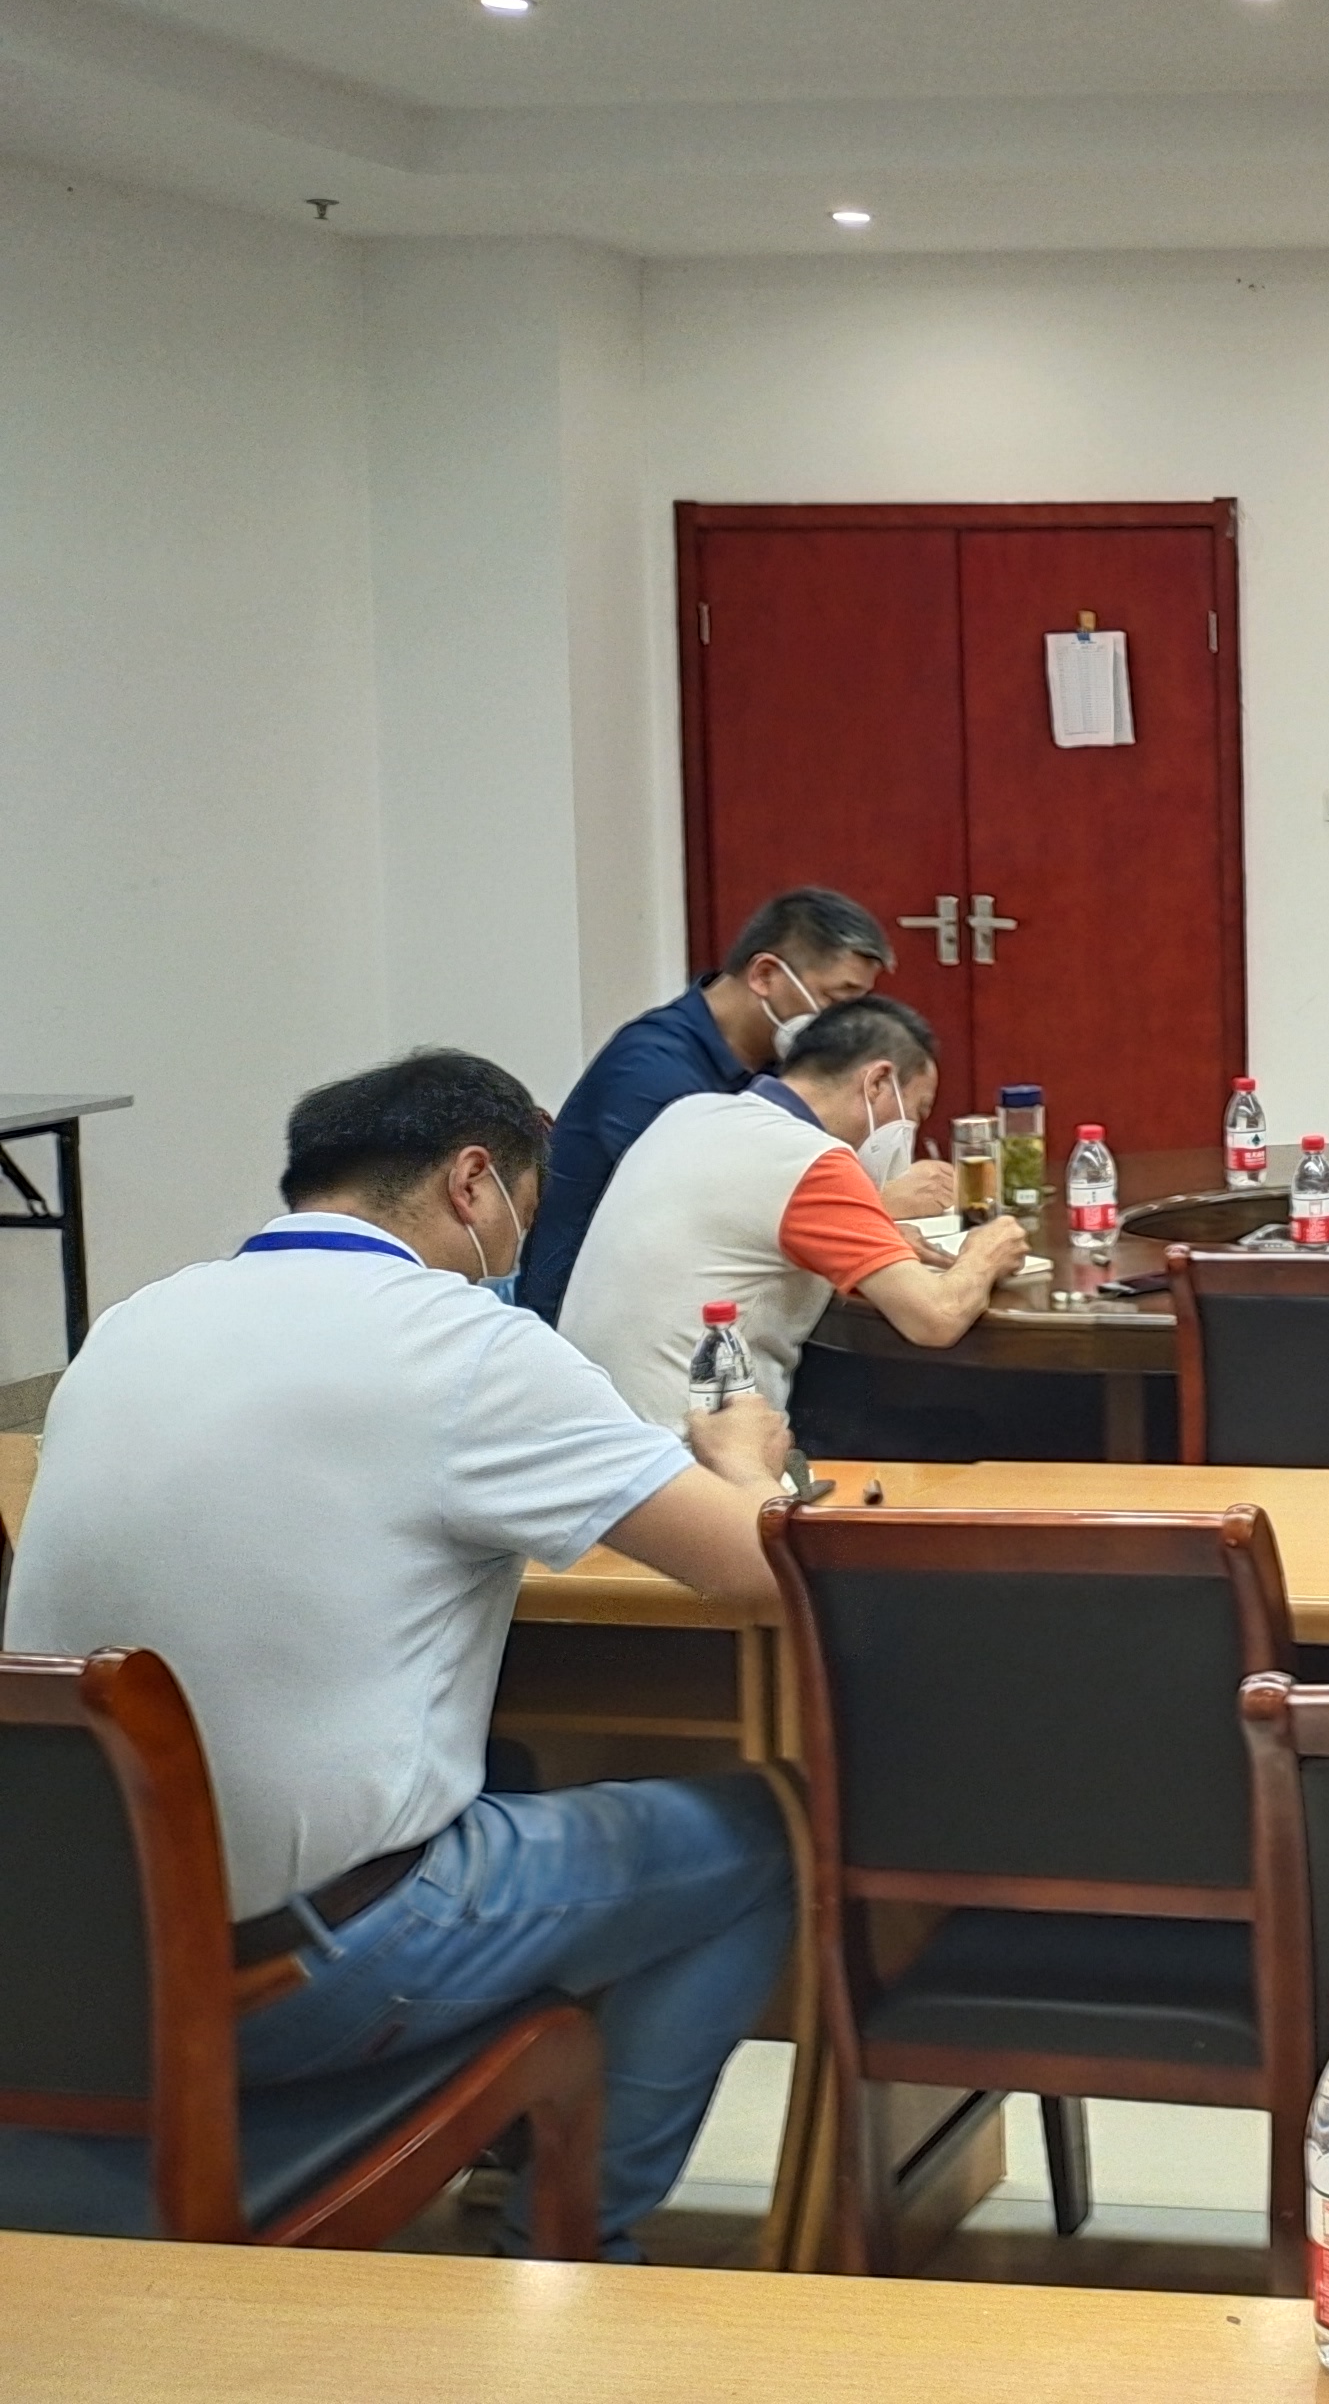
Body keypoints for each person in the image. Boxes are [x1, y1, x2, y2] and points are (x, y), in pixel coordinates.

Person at [3, 1049, 804, 2255]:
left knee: (513, 1768)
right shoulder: (464, 1345)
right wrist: (744, 1460)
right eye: (525, 1210)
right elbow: (756, 1566)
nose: (519, 1246)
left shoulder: (131, 1323)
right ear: (471, 1182)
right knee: (766, 1839)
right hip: (296, 1972)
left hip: (66, 1972)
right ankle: (576, 2251)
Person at [559, 994, 1025, 1430]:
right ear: (878, 1082)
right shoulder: (812, 1159)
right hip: (694, 1451)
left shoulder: (691, 1112)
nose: (909, 1133)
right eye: (916, 1113)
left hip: (598, 1432)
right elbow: (936, 1318)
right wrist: (985, 1252)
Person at [523, 887, 946, 1327]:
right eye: (837, 1001)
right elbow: (707, 1215)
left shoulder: (780, 1061)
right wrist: (874, 1208)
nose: (847, 1027)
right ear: (765, 975)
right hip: (592, 1319)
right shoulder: (652, 1070)